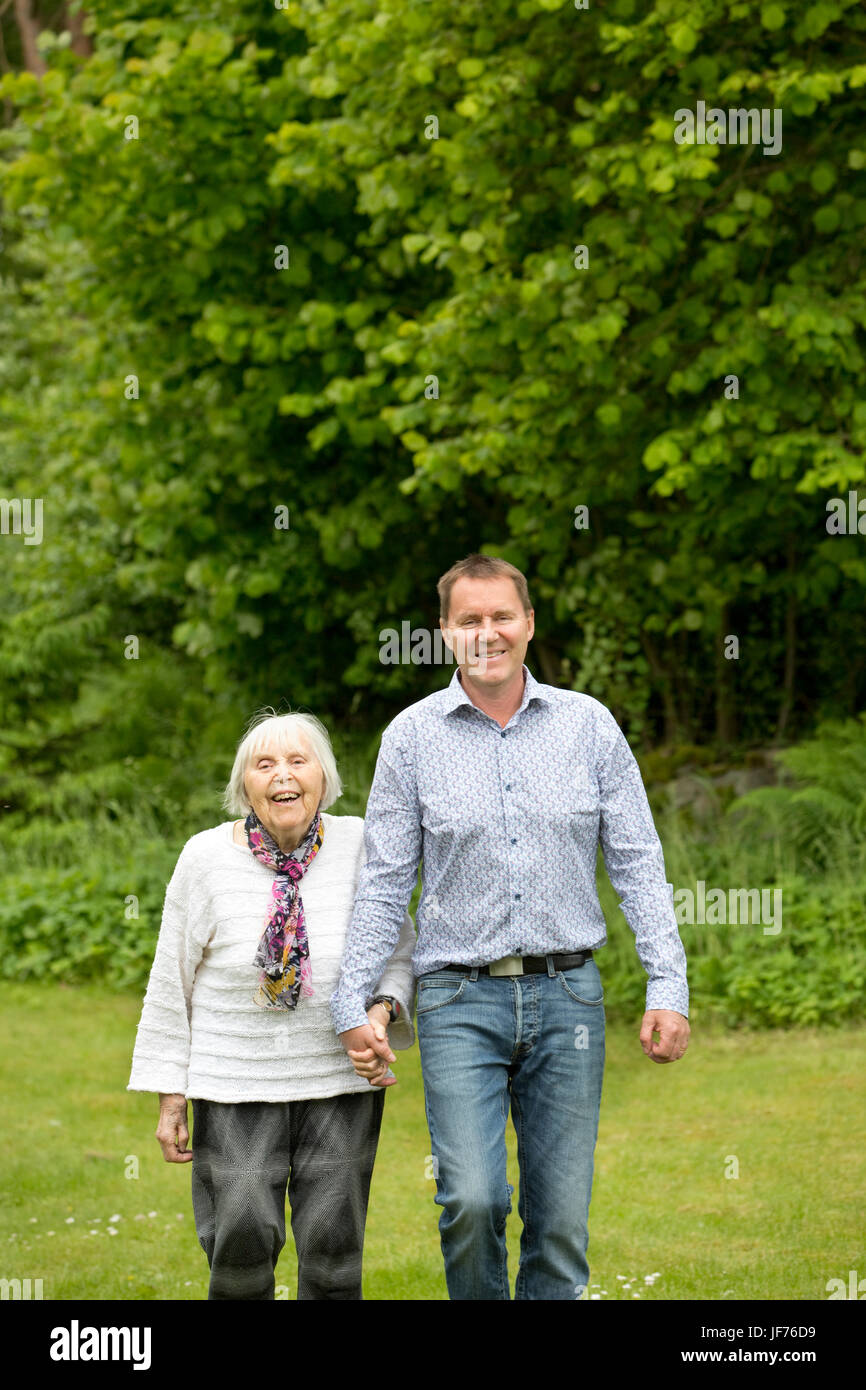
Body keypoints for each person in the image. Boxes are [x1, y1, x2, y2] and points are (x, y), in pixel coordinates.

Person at [331, 554, 690, 1301]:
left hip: (570, 999)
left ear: (528, 624)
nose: (487, 632)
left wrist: (669, 984)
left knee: (559, 1220)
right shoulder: (411, 738)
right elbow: (384, 884)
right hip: (458, 1000)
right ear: (444, 632)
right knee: (472, 1199)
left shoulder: (588, 726)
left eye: (501, 616)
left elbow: (637, 864)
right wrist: (350, 1002)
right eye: (469, 620)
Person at [128, 709, 415, 1300]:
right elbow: (169, 983)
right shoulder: (204, 858)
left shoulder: (363, 844)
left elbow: (399, 951)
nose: (282, 775)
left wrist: (380, 1012)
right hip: (234, 1083)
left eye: (297, 760)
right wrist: (169, 1094)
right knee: (239, 1241)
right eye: (264, 764)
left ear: (324, 777)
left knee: (335, 1249)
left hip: (337, 1079)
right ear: (244, 786)